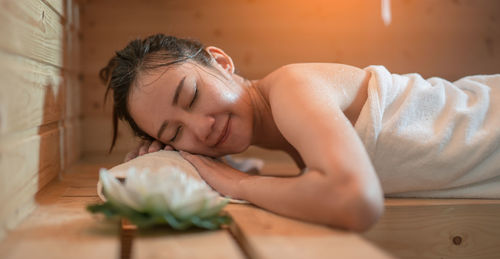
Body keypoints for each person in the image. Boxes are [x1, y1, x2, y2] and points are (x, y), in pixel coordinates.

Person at [100, 34, 500, 231]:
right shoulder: (283, 131)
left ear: (220, 62)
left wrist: (236, 182)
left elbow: (356, 201)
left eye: (192, 97)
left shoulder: (292, 86)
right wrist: (165, 164)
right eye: (175, 132)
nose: (201, 128)